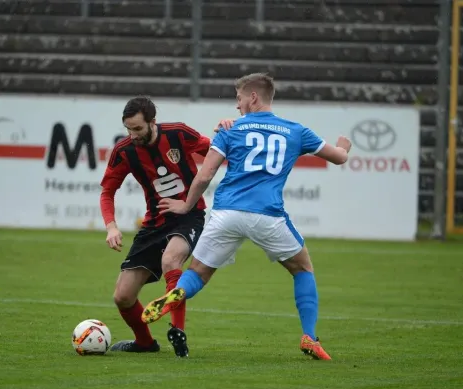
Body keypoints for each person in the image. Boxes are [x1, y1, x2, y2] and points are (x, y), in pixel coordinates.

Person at [141, 73, 352, 360]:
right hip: (267, 215)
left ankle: (178, 292)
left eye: (239, 98)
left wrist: (186, 206)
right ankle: (309, 337)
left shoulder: (230, 129)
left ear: (253, 97)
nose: (237, 106)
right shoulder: (296, 130)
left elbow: (205, 174)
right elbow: (339, 157)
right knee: (302, 268)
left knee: (197, 273)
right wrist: (344, 145)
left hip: (226, 212)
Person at [100, 96, 211, 357]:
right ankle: (145, 343)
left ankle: (178, 332)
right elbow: (107, 191)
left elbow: (217, 151)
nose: (132, 134)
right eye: (128, 128)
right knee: (123, 296)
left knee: (171, 259)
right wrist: (111, 226)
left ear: (152, 122)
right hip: (154, 225)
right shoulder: (124, 151)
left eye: (137, 128)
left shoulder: (178, 134)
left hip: (189, 216)